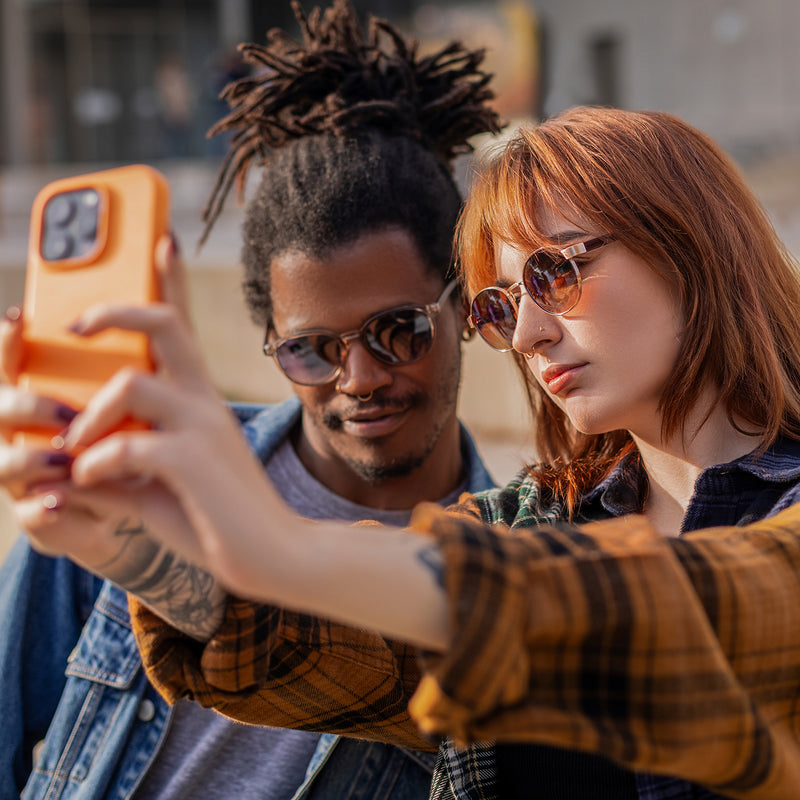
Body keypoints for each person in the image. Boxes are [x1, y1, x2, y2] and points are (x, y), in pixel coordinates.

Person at [24, 104, 800, 800]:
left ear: (692, 245)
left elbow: (719, 611)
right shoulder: (522, 524)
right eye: (501, 303)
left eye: (555, 271)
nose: (526, 336)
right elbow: (307, 646)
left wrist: (281, 544)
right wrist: (142, 547)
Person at [0, 2, 501, 798]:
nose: (360, 378)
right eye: (312, 349)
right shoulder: (135, 481)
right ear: (271, 340)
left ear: (466, 301)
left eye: (399, 331)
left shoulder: (508, 568)